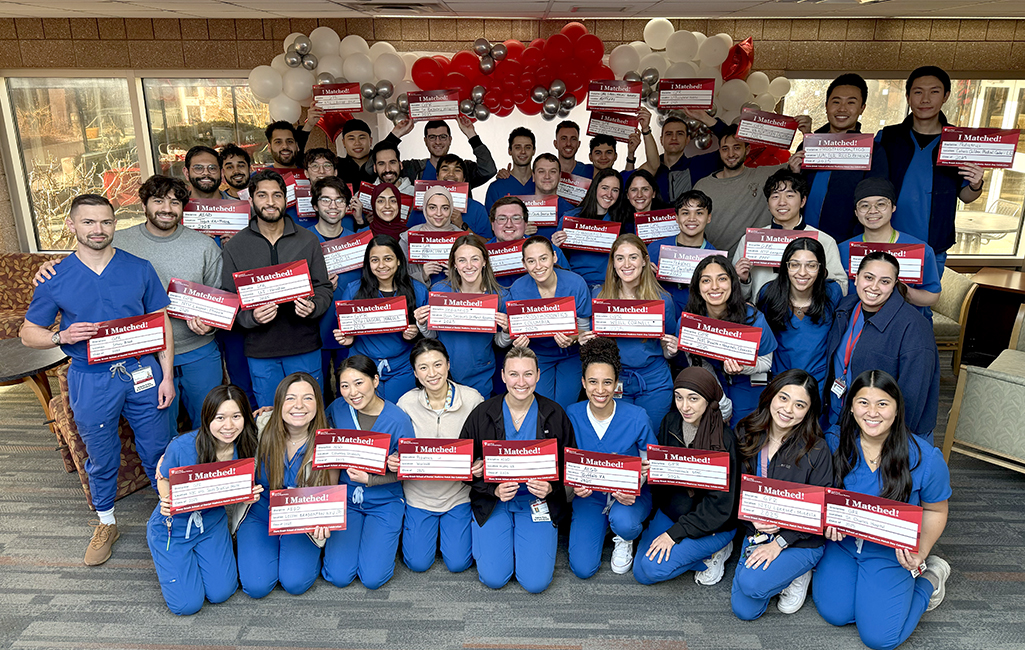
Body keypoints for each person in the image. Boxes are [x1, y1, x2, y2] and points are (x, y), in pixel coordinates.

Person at [21, 193, 175, 566]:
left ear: (114, 224)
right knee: (102, 457)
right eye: (88, 222)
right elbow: (29, 333)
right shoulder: (56, 276)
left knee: (159, 448)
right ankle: (107, 522)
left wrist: (167, 375)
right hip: (91, 378)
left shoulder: (139, 268)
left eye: (106, 221)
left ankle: (173, 515)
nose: (98, 229)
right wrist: (61, 337)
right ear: (72, 225)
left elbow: (161, 322)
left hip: (143, 373)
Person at [34, 176, 224, 433]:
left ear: (183, 207)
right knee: (161, 431)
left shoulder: (205, 246)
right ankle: (167, 473)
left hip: (198, 352)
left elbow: (217, 299)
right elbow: (87, 256)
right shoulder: (117, 239)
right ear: (143, 205)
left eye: (175, 202)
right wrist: (50, 267)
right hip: (143, 358)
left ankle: (208, 474)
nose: (167, 208)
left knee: (213, 423)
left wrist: (210, 325)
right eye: (158, 200)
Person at [813, 370, 952, 650]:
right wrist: (826, 518)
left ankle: (930, 579)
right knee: (836, 614)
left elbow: (936, 511)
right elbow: (818, 494)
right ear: (851, 407)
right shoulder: (834, 443)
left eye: (883, 404)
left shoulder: (925, 458)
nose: (872, 412)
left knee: (879, 638)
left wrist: (921, 552)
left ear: (897, 408)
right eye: (863, 402)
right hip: (843, 545)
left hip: (890, 553)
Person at [459, 347, 576, 593]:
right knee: (494, 579)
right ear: (502, 376)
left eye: (528, 374)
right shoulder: (482, 413)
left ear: (538, 375)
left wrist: (552, 488)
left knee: (536, 583)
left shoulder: (555, 414)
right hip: (494, 502)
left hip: (537, 503)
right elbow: (464, 469)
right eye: (514, 374)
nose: (521, 382)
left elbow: (571, 467)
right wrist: (491, 489)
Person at [220, 170, 334, 407]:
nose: (270, 202)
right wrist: (250, 317)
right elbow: (230, 299)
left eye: (277, 195)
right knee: (270, 418)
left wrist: (313, 306)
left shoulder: (308, 240)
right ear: (251, 201)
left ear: (286, 199)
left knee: (310, 413)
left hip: (304, 345)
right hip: (260, 351)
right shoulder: (236, 246)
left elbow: (323, 287)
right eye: (262, 195)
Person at [147, 384, 261, 615]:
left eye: (236, 416)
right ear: (207, 417)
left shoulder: (247, 445)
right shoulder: (182, 446)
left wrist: (250, 492)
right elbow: (163, 478)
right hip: (174, 528)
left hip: (211, 523)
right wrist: (165, 498)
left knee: (221, 593)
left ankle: (199, 563)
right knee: (188, 605)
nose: (229, 426)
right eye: (220, 418)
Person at [730, 370, 834, 620]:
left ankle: (800, 573)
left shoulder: (817, 449)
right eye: (784, 398)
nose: (788, 409)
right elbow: (734, 490)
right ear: (771, 396)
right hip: (757, 530)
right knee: (745, 610)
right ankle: (781, 574)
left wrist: (780, 543)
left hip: (800, 539)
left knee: (752, 585)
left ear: (809, 411)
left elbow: (820, 511)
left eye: (800, 405)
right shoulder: (746, 431)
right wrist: (751, 520)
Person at [633, 367, 739, 587]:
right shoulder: (670, 422)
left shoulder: (724, 439)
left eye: (693, 399)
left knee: (653, 568)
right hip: (673, 511)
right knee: (641, 573)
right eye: (678, 397)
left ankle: (716, 551)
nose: (685, 406)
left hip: (712, 523)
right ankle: (695, 554)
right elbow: (662, 482)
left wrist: (674, 535)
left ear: (708, 399)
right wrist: (654, 472)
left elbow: (720, 507)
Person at [875, 66, 985, 275]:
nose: (925, 99)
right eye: (918, 92)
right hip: (885, 241)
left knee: (921, 305)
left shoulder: (958, 141)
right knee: (877, 301)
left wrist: (976, 184)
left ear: (946, 96)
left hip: (933, 246)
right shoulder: (888, 137)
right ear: (908, 97)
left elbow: (967, 197)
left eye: (934, 92)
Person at [236, 372, 335, 598]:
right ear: (279, 402)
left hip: (301, 516)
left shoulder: (328, 441)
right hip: (260, 511)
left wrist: (325, 519)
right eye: (290, 398)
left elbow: (330, 491)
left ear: (318, 404)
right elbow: (221, 437)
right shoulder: (260, 425)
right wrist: (177, 448)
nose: (298, 405)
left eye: (307, 398)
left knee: (295, 583)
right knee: (256, 587)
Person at [823, 252, 939, 443]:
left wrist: (894, 442)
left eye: (885, 281)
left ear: (895, 284)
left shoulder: (914, 327)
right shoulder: (845, 308)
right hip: (842, 422)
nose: (874, 287)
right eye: (868, 277)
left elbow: (914, 395)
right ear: (856, 277)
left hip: (886, 435)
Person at [321, 355, 415, 590]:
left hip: (385, 501)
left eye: (359, 382)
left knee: (373, 579)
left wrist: (372, 479)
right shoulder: (336, 410)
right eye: (345, 385)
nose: (352, 392)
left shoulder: (398, 419)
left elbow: (409, 471)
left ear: (375, 380)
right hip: (347, 501)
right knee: (339, 577)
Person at [566, 337, 656, 578]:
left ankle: (624, 538)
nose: (600, 390)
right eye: (593, 382)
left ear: (617, 384)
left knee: (624, 522)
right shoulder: (571, 415)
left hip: (628, 497)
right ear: (583, 383)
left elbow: (652, 463)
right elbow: (564, 463)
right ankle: (601, 528)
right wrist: (572, 484)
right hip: (590, 496)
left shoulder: (637, 416)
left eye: (607, 382)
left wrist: (637, 484)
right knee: (582, 569)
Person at [396, 339, 484, 573]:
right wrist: (394, 459)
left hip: (457, 495)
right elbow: (397, 448)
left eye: (438, 365)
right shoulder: (405, 403)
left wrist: (480, 463)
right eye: (423, 367)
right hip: (418, 496)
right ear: (415, 372)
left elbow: (485, 445)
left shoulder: (472, 399)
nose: (432, 373)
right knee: (417, 563)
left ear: (447, 364)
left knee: (458, 564)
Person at [580, 234, 679, 430]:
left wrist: (672, 350)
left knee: (650, 437)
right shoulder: (599, 296)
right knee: (620, 438)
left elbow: (666, 350)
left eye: (633, 257)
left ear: (644, 261)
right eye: (620, 258)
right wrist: (586, 341)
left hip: (654, 382)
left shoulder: (663, 300)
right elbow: (597, 343)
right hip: (614, 380)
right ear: (613, 264)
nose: (626, 264)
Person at [335, 235, 428, 402]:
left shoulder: (418, 290)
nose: (382, 265)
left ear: (399, 260)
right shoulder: (353, 291)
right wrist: (346, 338)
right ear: (368, 264)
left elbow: (431, 334)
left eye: (388, 259)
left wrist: (416, 333)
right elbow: (345, 330)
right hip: (362, 365)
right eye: (375, 260)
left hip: (403, 367)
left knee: (399, 413)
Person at [684, 256, 776, 424]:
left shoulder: (754, 319)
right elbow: (696, 361)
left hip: (748, 387)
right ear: (697, 287)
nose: (714, 287)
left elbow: (766, 362)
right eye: (706, 280)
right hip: (710, 386)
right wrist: (721, 401)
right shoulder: (691, 320)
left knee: (745, 440)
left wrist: (744, 367)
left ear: (733, 283)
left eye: (722, 279)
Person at [416, 234, 509, 397]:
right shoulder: (440, 292)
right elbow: (433, 335)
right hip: (444, 374)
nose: (469, 266)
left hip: (481, 374)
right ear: (454, 265)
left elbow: (499, 343)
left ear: (484, 262)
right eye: (462, 260)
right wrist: (422, 323)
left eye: (475, 259)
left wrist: (507, 331)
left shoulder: (500, 296)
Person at [733, 169, 848, 302]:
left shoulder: (824, 241)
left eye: (790, 195)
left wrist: (818, 279)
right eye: (775, 196)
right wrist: (743, 280)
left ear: (803, 201)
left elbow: (842, 287)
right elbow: (733, 294)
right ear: (768, 203)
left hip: (807, 318)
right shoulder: (750, 240)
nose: (782, 202)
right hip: (761, 317)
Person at [791, 73, 881, 242]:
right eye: (836, 101)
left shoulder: (873, 151)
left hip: (847, 241)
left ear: (862, 107)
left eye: (851, 102)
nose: (842, 109)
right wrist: (795, 173)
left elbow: (875, 199)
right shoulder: (808, 145)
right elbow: (793, 193)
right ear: (826, 105)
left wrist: (855, 239)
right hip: (803, 238)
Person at [837, 177, 941, 320]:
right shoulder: (842, 250)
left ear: (893, 207)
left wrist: (902, 290)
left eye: (881, 204)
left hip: (904, 325)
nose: (872, 211)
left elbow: (932, 296)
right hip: (856, 324)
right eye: (864, 205)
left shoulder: (920, 250)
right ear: (856, 212)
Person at [508, 236, 592, 405]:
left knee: (564, 405)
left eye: (543, 258)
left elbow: (584, 331)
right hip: (536, 354)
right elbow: (511, 333)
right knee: (542, 405)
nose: (538, 266)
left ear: (554, 257)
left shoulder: (575, 283)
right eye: (531, 261)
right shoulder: (518, 288)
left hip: (571, 355)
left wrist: (574, 338)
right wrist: (517, 340)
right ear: (523, 264)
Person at [756, 238, 842, 395]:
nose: (802, 272)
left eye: (811, 265)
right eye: (795, 265)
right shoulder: (769, 294)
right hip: (779, 382)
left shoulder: (832, 293)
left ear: (821, 269)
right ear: (785, 267)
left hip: (818, 385)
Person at [310, 177, 363, 402]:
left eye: (339, 200)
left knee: (350, 393)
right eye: (326, 200)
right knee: (316, 395)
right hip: (312, 332)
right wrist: (317, 288)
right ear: (315, 205)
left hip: (350, 333)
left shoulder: (359, 242)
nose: (333, 206)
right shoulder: (302, 240)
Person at [698, 125, 786, 257]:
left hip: (756, 262)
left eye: (737, 147)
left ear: (748, 149)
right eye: (725, 149)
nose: (731, 154)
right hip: (715, 263)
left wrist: (807, 133)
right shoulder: (703, 186)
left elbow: (799, 163)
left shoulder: (766, 176)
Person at [553, 168, 629, 287]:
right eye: (605, 188)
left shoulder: (621, 221)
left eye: (615, 190)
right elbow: (557, 259)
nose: (609, 194)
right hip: (574, 283)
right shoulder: (570, 218)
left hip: (608, 285)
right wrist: (555, 245)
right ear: (595, 188)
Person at [646, 188, 718, 312]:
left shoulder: (714, 257)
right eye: (685, 213)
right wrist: (644, 274)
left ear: (709, 218)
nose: (692, 218)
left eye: (699, 213)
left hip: (695, 318)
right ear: (677, 218)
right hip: (659, 315)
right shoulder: (655, 248)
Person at [637, 107, 727, 204]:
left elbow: (734, 143)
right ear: (661, 140)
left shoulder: (700, 165)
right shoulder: (650, 169)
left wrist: (704, 117)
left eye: (680, 134)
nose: (674, 138)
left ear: (687, 140)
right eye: (669, 134)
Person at [487, 196, 567, 289]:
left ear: (525, 224)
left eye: (516, 218)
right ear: (493, 225)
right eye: (502, 218)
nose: (509, 224)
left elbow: (567, 284)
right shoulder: (480, 254)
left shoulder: (550, 250)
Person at [399, 117, 497, 191]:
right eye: (432, 137)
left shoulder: (464, 168)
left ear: (450, 140)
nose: (438, 142)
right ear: (425, 141)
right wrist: (397, 134)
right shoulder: (412, 168)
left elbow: (489, 170)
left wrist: (471, 134)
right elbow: (385, 168)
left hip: (459, 218)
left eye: (443, 137)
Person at [409, 154, 492, 238]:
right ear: (437, 176)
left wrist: (462, 225)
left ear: (464, 179)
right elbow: (409, 239)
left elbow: (488, 244)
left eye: (457, 170)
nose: (451, 174)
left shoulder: (478, 209)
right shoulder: (422, 206)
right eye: (445, 169)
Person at [400, 185, 464, 287]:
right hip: (418, 299)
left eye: (445, 208)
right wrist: (422, 275)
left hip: (454, 298)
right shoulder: (407, 238)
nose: (438, 213)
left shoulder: (464, 239)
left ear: (451, 209)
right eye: (432, 207)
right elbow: (398, 276)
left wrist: (459, 275)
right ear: (425, 208)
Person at [484, 127, 536, 212]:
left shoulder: (543, 184)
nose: (523, 151)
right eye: (517, 147)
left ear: (534, 151)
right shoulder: (496, 188)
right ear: (510, 151)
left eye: (528, 147)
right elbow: (490, 222)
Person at [530, 153, 577, 240]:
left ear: (559, 177)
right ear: (533, 176)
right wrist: (519, 233)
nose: (547, 176)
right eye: (541, 171)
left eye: (553, 172)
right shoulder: (519, 208)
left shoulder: (571, 212)